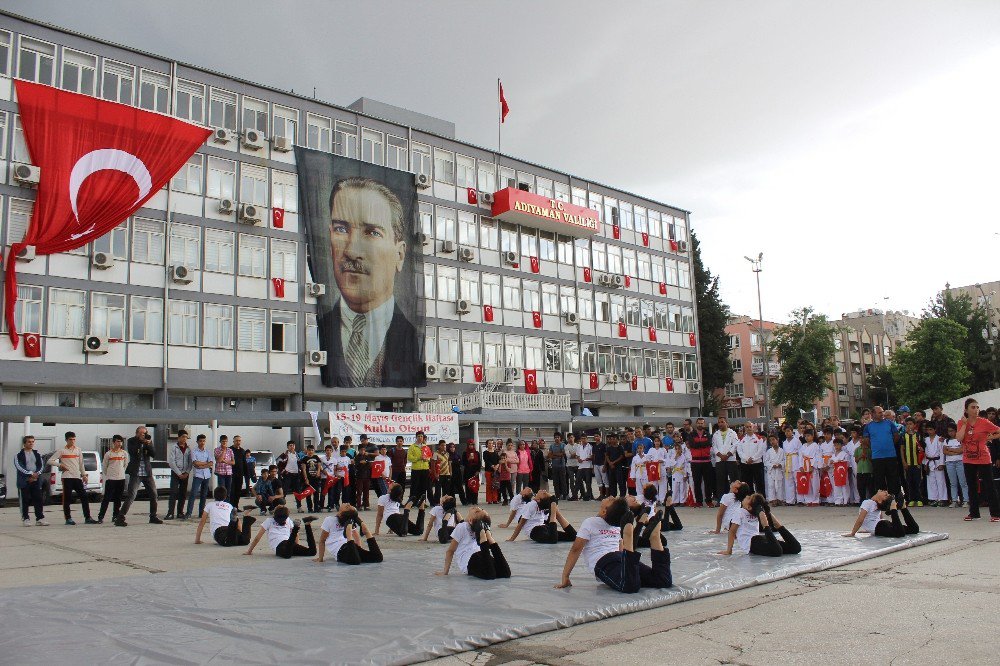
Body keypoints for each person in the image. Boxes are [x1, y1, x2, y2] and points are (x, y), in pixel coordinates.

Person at [318, 176, 420, 387]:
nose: (352, 251)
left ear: (399, 255)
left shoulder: (417, 338)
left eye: (372, 233)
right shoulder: (315, 328)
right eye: (341, 229)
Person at [555, 497, 672, 593]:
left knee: (629, 586)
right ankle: (655, 539)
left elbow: (576, 549)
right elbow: (620, 549)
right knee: (663, 580)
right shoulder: (618, 525)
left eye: (612, 500)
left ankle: (630, 538)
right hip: (621, 557)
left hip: (603, 562)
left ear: (604, 511)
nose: (611, 496)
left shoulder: (590, 522)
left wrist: (565, 577)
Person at [956, 398, 1000, 522]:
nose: (976, 410)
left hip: (983, 458)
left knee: (989, 485)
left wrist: (991, 437)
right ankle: (974, 513)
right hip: (968, 459)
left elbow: (998, 431)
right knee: (971, 486)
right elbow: (959, 438)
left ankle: (996, 514)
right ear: (966, 410)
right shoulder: (961, 422)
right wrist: (965, 424)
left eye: (977, 407)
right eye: (973, 407)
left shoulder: (984, 422)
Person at [437, 507, 511, 580]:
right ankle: (490, 540)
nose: (477, 508)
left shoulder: (462, 526)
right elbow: (451, 551)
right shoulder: (464, 525)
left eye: (477, 511)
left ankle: (485, 539)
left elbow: (450, 551)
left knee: (493, 574)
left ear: (470, 520)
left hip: (472, 559)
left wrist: (445, 572)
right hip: (480, 555)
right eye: (481, 509)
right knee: (505, 573)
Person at [719, 493, 801, 557]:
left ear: (749, 507)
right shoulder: (740, 512)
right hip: (751, 544)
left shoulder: (753, 511)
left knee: (795, 548)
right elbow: (732, 531)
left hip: (760, 539)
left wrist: (766, 513)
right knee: (777, 551)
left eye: (749, 498)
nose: (747, 496)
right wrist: (729, 550)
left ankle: (774, 526)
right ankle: (766, 526)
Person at [48, 431, 97, 525]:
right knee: (67, 498)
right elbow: (50, 461)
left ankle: (87, 517)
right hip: (67, 477)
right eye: (70, 439)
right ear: (66, 440)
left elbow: (81, 464)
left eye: (74, 439)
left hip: (76, 477)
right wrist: (59, 465)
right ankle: (68, 518)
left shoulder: (78, 450)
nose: (72, 441)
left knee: (84, 497)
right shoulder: (62, 450)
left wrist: (83, 475)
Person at [118, 426, 161, 525]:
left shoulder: (148, 441)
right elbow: (133, 452)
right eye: (142, 433)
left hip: (147, 472)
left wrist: (149, 444)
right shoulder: (131, 441)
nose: (143, 435)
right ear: (137, 433)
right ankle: (120, 517)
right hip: (136, 472)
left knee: (154, 495)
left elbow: (154, 454)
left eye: (145, 433)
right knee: (132, 495)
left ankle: (153, 516)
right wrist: (141, 442)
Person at [314, 505, 383, 565]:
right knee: (377, 558)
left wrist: (320, 559)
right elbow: (357, 537)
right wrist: (357, 550)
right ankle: (366, 532)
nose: (347, 503)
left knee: (356, 561)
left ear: (341, 514)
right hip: (349, 546)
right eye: (348, 505)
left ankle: (349, 534)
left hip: (342, 550)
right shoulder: (346, 521)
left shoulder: (329, 520)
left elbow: (322, 540)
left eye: (347, 507)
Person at [507, 490, 577, 543]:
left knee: (573, 537)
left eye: (544, 493)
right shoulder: (532, 505)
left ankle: (555, 512)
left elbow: (553, 499)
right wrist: (512, 539)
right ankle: (554, 511)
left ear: (538, 499)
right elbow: (521, 523)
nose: (544, 491)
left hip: (544, 527)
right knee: (552, 539)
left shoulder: (538, 504)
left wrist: (554, 510)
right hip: (534, 531)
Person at [246, 506, 318, 558]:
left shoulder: (270, 521)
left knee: (288, 554)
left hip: (284, 545)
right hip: (284, 544)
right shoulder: (284, 520)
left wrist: (249, 551)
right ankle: (307, 524)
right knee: (311, 552)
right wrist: (295, 545)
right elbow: (296, 536)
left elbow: (257, 538)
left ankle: (303, 526)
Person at [864, 406, 902, 499]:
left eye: (882, 412)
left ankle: (895, 499)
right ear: (873, 414)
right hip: (877, 457)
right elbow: (866, 440)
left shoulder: (889, 423)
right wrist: (875, 447)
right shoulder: (868, 426)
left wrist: (889, 444)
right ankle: (883, 500)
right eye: (880, 412)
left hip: (891, 456)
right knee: (879, 479)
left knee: (893, 478)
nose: (882, 414)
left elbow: (896, 436)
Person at [844, 491, 919, 538]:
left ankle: (895, 508)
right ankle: (903, 508)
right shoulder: (875, 505)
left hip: (881, 526)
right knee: (913, 529)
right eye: (885, 493)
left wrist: (853, 533)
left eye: (885, 495)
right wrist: (869, 530)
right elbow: (876, 518)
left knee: (900, 533)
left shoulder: (867, 502)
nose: (885, 491)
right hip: (882, 525)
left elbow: (861, 519)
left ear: (879, 501)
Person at [14, 435, 48, 526]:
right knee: (25, 500)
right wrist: (30, 474)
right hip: (24, 481)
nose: (31, 443)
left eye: (33, 441)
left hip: (36, 481)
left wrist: (36, 474)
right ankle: (25, 518)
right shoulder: (18, 455)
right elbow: (19, 467)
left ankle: (40, 518)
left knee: (38, 499)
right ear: (24, 443)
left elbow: (41, 466)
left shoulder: (37, 454)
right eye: (29, 442)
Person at [98, 435, 129, 524]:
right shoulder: (108, 454)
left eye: (121, 442)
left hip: (121, 478)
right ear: (114, 442)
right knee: (106, 498)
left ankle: (115, 516)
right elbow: (104, 466)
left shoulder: (124, 453)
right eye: (118, 441)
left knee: (118, 498)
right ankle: (101, 516)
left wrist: (121, 473)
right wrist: (109, 475)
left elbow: (125, 465)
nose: (120, 443)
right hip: (111, 479)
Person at [165, 430, 192, 520]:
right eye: (183, 437)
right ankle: (170, 513)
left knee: (183, 494)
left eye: (186, 437)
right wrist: (179, 473)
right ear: (179, 437)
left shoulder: (188, 448)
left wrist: (187, 472)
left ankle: (180, 512)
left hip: (185, 474)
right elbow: (172, 462)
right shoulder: (174, 447)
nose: (185, 439)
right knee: (173, 493)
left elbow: (190, 462)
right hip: (176, 473)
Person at [185, 434, 214, 519]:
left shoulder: (208, 451)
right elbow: (195, 463)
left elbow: (211, 463)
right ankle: (189, 513)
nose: (202, 442)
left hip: (206, 475)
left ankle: (201, 513)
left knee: (204, 495)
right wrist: (205, 463)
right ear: (197, 442)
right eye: (200, 441)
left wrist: (202, 465)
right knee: (193, 494)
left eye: (203, 441)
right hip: (198, 475)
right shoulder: (194, 451)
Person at [687, 418, 714, 507]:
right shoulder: (691, 434)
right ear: (696, 424)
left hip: (707, 461)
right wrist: (703, 444)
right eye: (699, 423)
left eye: (702, 423)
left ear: (704, 424)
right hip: (695, 461)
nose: (700, 425)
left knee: (708, 482)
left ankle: (709, 500)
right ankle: (699, 501)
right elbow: (692, 444)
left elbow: (709, 443)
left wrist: (698, 444)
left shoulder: (708, 434)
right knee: (697, 482)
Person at [900, 418, 924, 507]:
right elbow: (902, 450)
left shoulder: (918, 435)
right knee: (909, 482)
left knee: (918, 481)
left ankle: (919, 499)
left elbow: (921, 448)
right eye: (907, 424)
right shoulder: (903, 436)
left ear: (914, 425)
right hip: (908, 463)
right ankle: (911, 499)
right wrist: (904, 462)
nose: (909, 426)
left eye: (911, 424)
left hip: (917, 463)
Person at [942, 423, 967, 508]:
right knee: (953, 483)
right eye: (949, 431)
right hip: (949, 462)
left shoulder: (960, 439)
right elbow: (944, 451)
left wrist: (951, 449)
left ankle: (966, 500)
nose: (950, 433)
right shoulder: (946, 440)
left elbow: (961, 450)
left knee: (963, 482)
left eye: (952, 431)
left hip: (960, 462)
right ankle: (954, 500)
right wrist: (955, 451)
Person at [922, 423, 947, 507]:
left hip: (937, 461)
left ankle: (942, 499)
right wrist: (925, 463)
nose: (929, 431)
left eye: (931, 429)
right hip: (929, 462)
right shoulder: (925, 440)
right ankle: (933, 499)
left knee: (940, 481)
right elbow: (924, 453)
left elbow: (942, 452)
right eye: (927, 430)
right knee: (931, 481)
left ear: (935, 430)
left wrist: (942, 463)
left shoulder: (939, 439)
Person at [737, 425, 766, 494]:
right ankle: (749, 500)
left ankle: (761, 500)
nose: (749, 428)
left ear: (753, 428)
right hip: (745, 464)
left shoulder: (759, 438)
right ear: (745, 429)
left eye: (750, 426)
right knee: (747, 483)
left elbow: (760, 450)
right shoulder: (741, 439)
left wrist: (753, 458)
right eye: (747, 427)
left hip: (757, 464)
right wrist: (746, 459)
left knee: (759, 483)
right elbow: (739, 451)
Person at [277, 441, 304, 512]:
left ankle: (299, 507)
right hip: (287, 475)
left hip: (296, 475)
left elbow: (300, 464)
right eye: (290, 445)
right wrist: (283, 471)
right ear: (287, 447)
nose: (292, 447)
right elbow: (278, 463)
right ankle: (281, 506)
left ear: (294, 446)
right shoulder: (284, 455)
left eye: (293, 445)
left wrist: (300, 471)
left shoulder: (297, 455)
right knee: (284, 491)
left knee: (298, 492)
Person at [797, 429, 821, 506]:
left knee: (815, 484)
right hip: (804, 465)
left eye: (808, 436)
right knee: (807, 483)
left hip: (811, 465)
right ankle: (808, 500)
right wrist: (800, 466)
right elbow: (800, 456)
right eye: (805, 436)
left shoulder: (816, 446)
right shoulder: (803, 446)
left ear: (812, 436)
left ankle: (815, 500)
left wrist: (813, 466)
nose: (807, 437)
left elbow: (817, 457)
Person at [408, 431, 432, 504]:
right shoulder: (412, 447)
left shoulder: (426, 447)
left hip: (425, 469)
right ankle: (412, 502)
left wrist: (426, 459)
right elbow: (409, 458)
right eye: (418, 436)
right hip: (416, 470)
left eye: (421, 436)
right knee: (414, 487)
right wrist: (418, 458)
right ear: (416, 437)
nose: (420, 438)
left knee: (423, 487)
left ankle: (422, 503)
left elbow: (429, 457)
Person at [666, 440, 691, 505]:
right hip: (675, 473)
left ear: (681, 449)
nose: (677, 450)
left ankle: (682, 501)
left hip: (682, 473)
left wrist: (685, 475)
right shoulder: (673, 456)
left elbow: (685, 466)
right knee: (675, 488)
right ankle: (675, 501)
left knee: (683, 488)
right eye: (676, 449)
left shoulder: (683, 456)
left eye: (678, 449)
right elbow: (671, 464)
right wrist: (675, 458)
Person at [763, 435, 785, 505]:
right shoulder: (769, 451)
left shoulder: (782, 451)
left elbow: (784, 460)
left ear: (777, 440)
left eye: (773, 440)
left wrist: (780, 464)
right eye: (770, 440)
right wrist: (772, 465)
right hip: (771, 470)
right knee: (771, 485)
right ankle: (772, 500)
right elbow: (766, 461)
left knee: (779, 484)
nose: (772, 442)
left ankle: (780, 499)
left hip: (779, 470)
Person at [829, 438, 852, 506]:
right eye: (835, 445)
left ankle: (845, 501)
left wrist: (840, 462)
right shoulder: (833, 455)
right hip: (835, 472)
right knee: (836, 486)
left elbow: (847, 463)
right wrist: (831, 462)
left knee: (844, 486)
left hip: (843, 472)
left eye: (838, 445)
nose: (836, 446)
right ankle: (838, 501)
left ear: (842, 445)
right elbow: (830, 464)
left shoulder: (845, 454)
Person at [213, 435, 235, 500]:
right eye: (223, 441)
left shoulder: (230, 450)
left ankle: (227, 507)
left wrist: (225, 461)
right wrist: (224, 451)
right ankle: (220, 505)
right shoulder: (216, 450)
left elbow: (233, 462)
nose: (224, 443)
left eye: (226, 441)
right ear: (220, 441)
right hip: (221, 473)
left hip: (229, 473)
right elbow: (219, 460)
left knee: (228, 491)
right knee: (222, 491)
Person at [605, 434, 626, 498]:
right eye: (611, 439)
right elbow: (607, 456)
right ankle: (613, 495)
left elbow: (621, 456)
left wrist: (613, 462)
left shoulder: (620, 447)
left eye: (614, 439)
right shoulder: (609, 448)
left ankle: (622, 495)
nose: (612, 440)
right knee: (612, 482)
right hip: (611, 467)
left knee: (620, 482)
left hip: (618, 467)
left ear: (617, 439)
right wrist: (610, 463)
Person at [548, 433, 568, 500]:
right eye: (555, 437)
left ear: (560, 438)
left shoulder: (563, 445)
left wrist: (554, 454)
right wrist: (558, 454)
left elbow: (563, 454)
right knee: (555, 481)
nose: (557, 438)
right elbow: (550, 455)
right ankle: (557, 495)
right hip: (554, 466)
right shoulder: (552, 446)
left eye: (558, 437)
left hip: (562, 466)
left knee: (563, 481)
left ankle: (564, 494)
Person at [462, 441, 481, 505]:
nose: (471, 446)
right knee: (468, 486)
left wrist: (478, 471)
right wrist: (468, 459)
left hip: (475, 472)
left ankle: (475, 500)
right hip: (468, 471)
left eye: (472, 445)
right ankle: (468, 500)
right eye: (469, 445)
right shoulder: (465, 453)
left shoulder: (477, 453)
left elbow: (479, 463)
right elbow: (463, 463)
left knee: (475, 486)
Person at [577, 433, 595, 501]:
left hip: (588, 466)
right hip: (580, 466)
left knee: (588, 482)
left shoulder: (590, 446)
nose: (583, 440)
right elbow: (577, 455)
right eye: (582, 438)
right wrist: (578, 459)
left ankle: (589, 495)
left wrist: (589, 458)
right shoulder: (579, 446)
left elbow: (592, 456)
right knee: (578, 480)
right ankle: (576, 495)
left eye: (584, 438)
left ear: (587, 439)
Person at [483, 440, 501, 505]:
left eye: (492, 443)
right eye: (489, 443)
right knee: (489, 485)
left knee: (495, 485)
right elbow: (486, 461)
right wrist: (493, 466)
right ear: (487, 444)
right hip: (488, 471)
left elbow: (499, 460)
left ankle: (495, 499)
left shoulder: (495, 453)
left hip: (495, 472)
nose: (490, 444)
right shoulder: (485, 452)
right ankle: (489, 499)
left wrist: (497, 466)